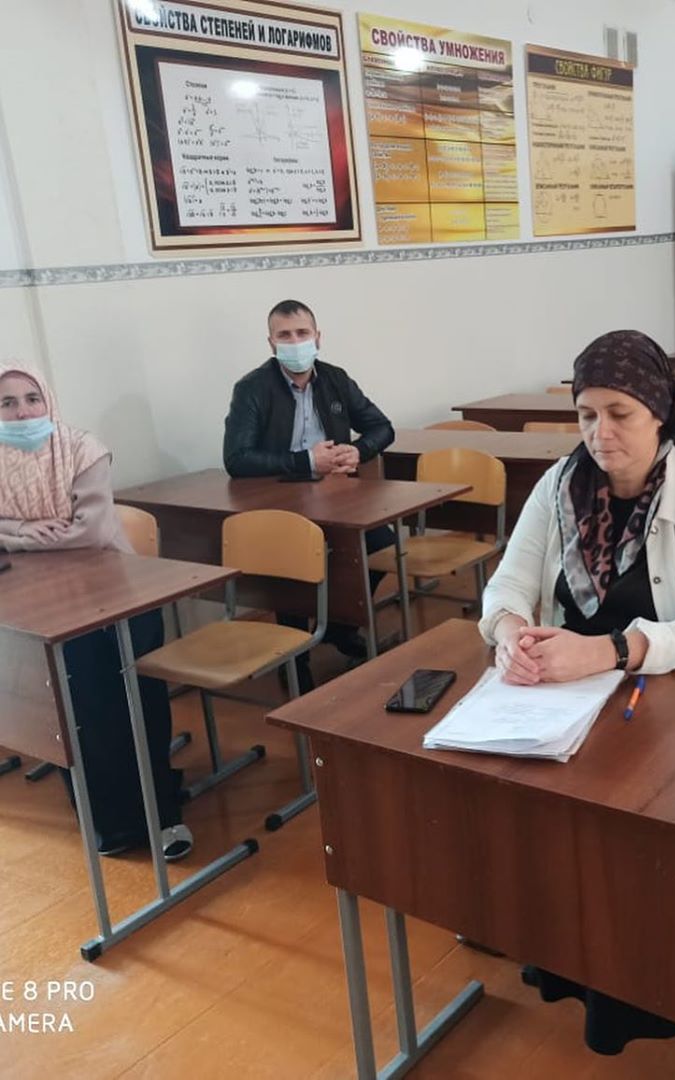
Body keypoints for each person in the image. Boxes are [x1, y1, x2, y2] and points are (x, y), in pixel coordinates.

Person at [476, 330, 675, 1055]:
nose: (600, 433)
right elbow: (507, 584)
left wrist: (611, 650)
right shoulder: (561, 483)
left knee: (649, 831)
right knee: (561, 831)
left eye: (620, 414)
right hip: (577, 695)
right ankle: (571, 963)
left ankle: (656, 991)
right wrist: (511, 633)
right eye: (586, 415)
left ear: (659, 412)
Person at [0, 364, 190, 860]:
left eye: (31, 398)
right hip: (46, 601)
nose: (22, 412)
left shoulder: (82, 449)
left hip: (117, 591)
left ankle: (163, 812)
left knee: (133, 697)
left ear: (48, 400)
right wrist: (21, 531)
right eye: (8, 403)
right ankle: (110, 822)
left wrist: (17, 536)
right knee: (75, 703)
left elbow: (90, 530)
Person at [223, 299, 396, 684]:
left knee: (381, 546)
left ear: (317, 337)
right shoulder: (252, 388)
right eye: (285, 335)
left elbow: (383, 427)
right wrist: (305, 461)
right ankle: (295, 662)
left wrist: (360, 450)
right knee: (293, 565)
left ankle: (338, 626)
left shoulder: (335, 379)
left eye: (302, 333)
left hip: (338, 496)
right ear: (271, 343)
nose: (295, 342)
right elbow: (237, 458)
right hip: (280, 500)